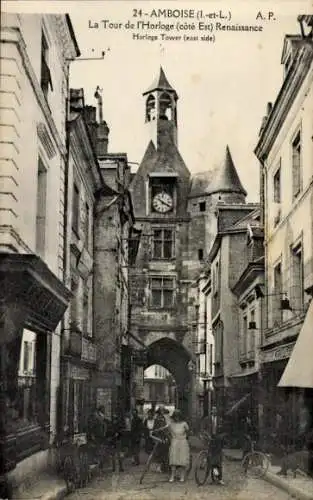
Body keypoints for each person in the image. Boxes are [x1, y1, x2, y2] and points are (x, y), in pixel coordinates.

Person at [168, 409, 190, 483]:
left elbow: (188, 432)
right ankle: (172, 476)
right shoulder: (171, 424)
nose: (176, 418)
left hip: (183, 442)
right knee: (173, 459)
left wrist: (186, 438)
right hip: (174, 442)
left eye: (178, 416)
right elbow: (167, 431)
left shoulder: (184, 424)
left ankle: (182, 476)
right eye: (175, 416)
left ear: (180, 417)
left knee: (182, 459)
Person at [209, 406, 225, 485]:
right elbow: (203, 429)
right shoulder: (207, 419)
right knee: (211, 460)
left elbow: (224, 431)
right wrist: (207, 436)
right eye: (213, 410)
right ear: (211, 411)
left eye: (215, 410)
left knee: (218, 460)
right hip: (209, 441)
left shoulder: (220, 420)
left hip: (218, 442)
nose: (214, 411)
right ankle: (213, 478)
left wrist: (220, 437)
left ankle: (220, 478)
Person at [153, 406, 170, 473]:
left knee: (165, 452)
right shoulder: (157, 419)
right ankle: (159, 467)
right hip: (159, 437)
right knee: (160, 452)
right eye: (162, 411)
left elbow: (166, 428)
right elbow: (156, 429)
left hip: (164, 436)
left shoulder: (163, 418)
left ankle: (165, 466)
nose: (163, 412)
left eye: (163, 411)